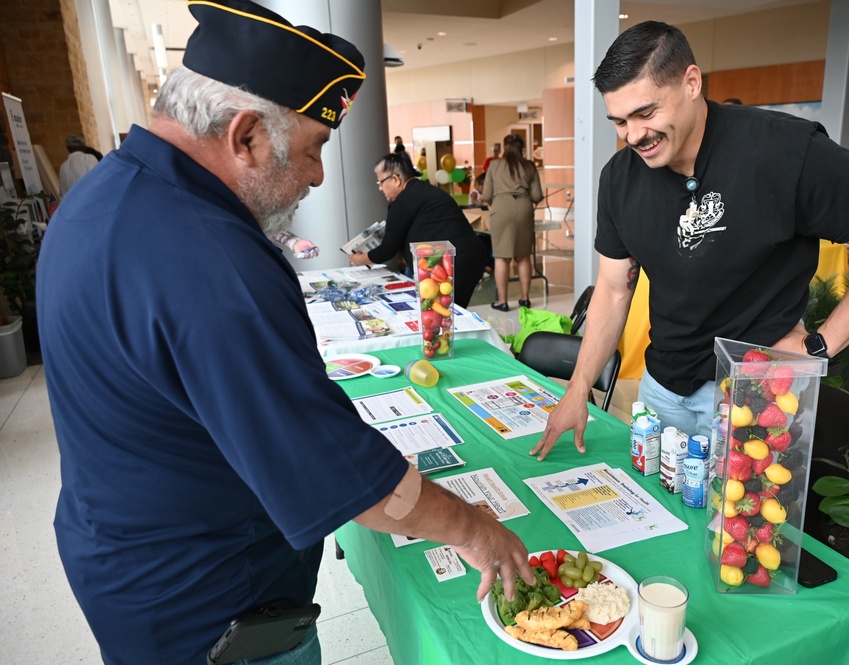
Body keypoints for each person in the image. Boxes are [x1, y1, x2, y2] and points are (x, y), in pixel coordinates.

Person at [37, 2, 532, 664]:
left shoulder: (104, 194)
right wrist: (472, 527)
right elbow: (330, 470)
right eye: (312, 149)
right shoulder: (208, 255)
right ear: (245, 136)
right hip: (212, 605)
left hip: (128, 562)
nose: (318, 175)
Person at [530, 20, 849, 461]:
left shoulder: (783, 150)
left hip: (757, 394)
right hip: (661, 389)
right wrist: (578, 388)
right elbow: (613, 288)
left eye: (646, 114)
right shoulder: (619, 179)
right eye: (619, 121)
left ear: (691, 82)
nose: (633, 136)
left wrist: (820, 347)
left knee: (745, 530)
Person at [349, 151, 488, 308]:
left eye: (380, 182)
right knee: (451, 314)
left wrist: (360, 259)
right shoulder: (421, 190)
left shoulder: (403, 202)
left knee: (444, 318)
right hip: (467, 257)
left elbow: (388, 249)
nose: (380, 188)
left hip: (455, 262)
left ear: (395, 179)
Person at [482, 134, 543, 310]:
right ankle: (525, 299)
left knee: (502, 257)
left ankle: (502, 301)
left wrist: (499, 203)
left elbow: (486, 195)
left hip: (501, 208)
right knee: (523, 256)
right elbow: (537, 195)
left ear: (504, 147)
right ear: (522, 148)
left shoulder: (494, 165)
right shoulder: (529, 166)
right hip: (524, 207)